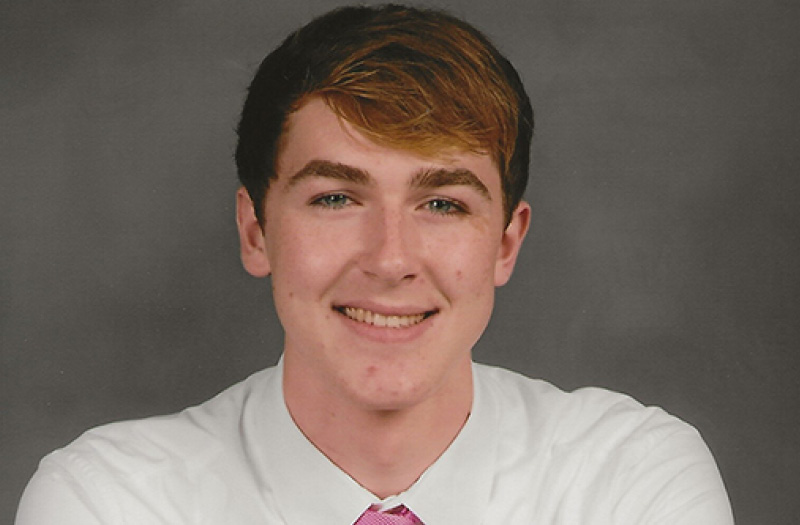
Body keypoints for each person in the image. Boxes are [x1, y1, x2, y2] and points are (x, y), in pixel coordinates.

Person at [16, 4, 733, 524]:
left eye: (444, 204)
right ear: (256, 231)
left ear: (506, 243)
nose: (390, 259)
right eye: (335, 198)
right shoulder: (110, 500)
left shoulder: (629, 480)